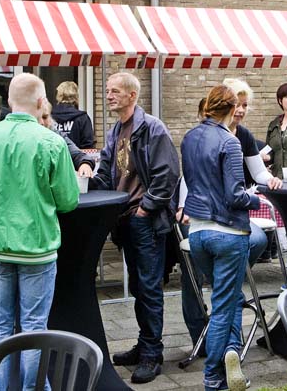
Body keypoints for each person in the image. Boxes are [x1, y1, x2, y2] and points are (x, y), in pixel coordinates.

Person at [0, 73, 79, 389]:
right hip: (37, 249)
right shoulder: (51, 141)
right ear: (42, 102)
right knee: (33, 328)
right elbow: (68, 200)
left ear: (8, 101)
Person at [90, 72, 180, 384]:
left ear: (132, 96)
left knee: (149, 288)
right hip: (125, 220)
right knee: (140, 288)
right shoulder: (116, 130)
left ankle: (152, 355)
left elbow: (167, 174)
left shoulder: (151, 128)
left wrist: (146, 208)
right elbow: (107, 173)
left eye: (114, 91)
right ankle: (144, 345)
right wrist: (85, 174)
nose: (108, 95)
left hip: (144, 221)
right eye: (107, 90)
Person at [177, 81, 277, 353]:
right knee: (205, 284)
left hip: (212, 225)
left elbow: (258, 173)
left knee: (251, 249)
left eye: (246, 105)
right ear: (229, 107)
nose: (242, 110)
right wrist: (185, 205)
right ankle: (222, 346)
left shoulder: (223, 136)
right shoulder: (224, 140)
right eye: (239, 105)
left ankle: (228, 291)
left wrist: (271, 180)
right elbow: (199, 180)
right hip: (220, 222)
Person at [51, 80, 95, 148]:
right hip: (76, 157)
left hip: (54, 157)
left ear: (59, 95)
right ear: (76, 96)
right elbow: (88, 145)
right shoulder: (82, 118)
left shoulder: (49, 117)